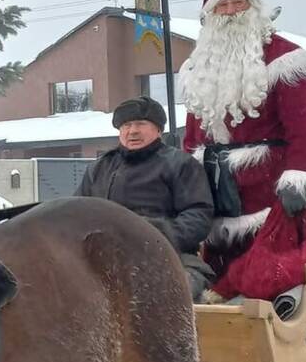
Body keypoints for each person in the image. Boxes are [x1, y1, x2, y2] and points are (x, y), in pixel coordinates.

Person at [180, 0, 306, 302]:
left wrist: (299, 177)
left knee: (272, 271)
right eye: (223, 5)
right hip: (215, 185)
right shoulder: (196, 68)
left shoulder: (285, 58)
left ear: (254, 8)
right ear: (210, 15)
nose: (231, 11)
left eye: (239, 3)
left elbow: (304, 127)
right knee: (218, 260)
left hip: (269, 185)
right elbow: (192, 134)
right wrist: (185, 179)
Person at [76, 95, 215, 299]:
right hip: (103, 258)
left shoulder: (180, 165)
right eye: (126, 125)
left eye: (141, 124)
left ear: (158, 129)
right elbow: (77, 212)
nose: (132, 131)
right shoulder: (99, 168)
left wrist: (155, 235)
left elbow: (198, 214)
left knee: (162, 294)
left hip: (170, 257)